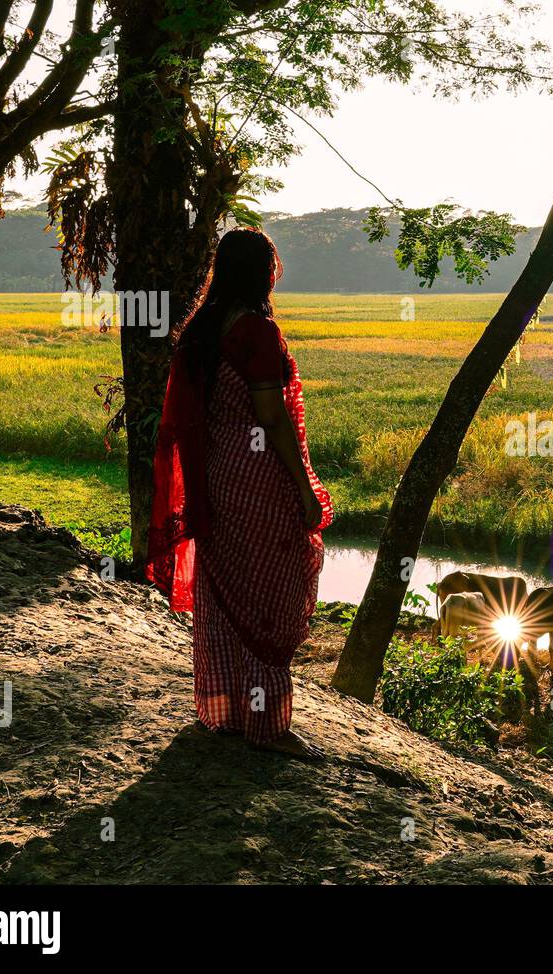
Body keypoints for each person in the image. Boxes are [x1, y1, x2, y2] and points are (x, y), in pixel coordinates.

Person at [145, 228, 333, 759]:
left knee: (227, 592)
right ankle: (268, 726)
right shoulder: (257, 331)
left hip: (216, 481)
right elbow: (272, 418)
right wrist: (304, 487)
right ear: (261, 272)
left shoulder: (201, 329)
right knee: (272, 593)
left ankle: (226, 712)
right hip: (258, 480)